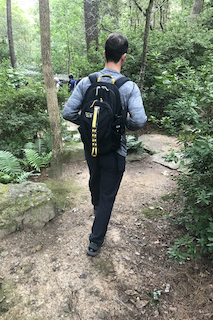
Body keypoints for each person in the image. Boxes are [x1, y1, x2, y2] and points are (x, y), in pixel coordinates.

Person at [62, 33, 147, 256]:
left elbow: (68, 112)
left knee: (94, 178)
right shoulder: (129, 87)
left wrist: (91, 123)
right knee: (108, 193)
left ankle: (96, 207)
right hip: (115, 149)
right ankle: (95, 242)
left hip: (91, 146)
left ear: (104, 53)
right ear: (124, 57)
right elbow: (139, 121)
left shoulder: (87, 82)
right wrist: (120, 122)